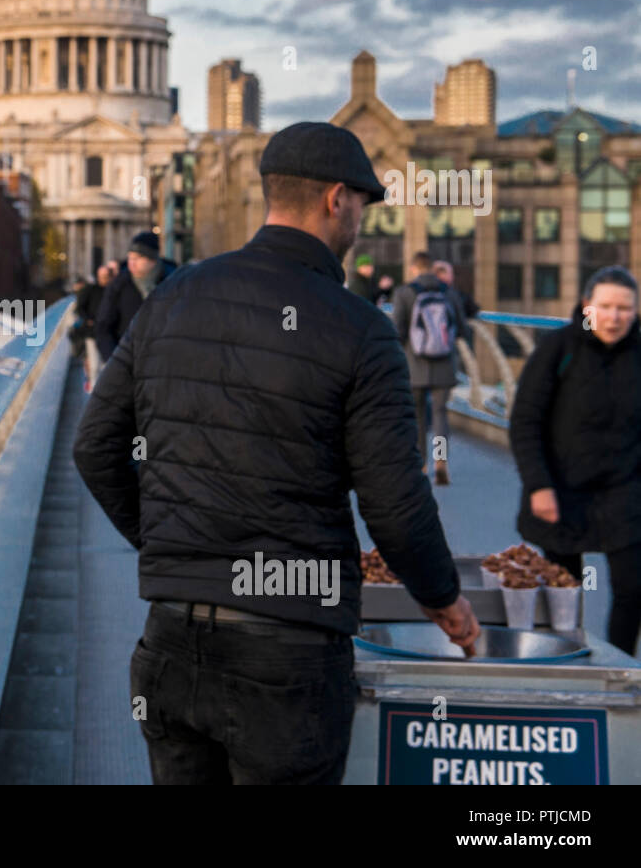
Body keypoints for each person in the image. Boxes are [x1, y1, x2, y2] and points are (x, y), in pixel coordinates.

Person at [73, 121, 478, 785]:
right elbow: (394, 503)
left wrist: (171, 547)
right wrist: (444, 598)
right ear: (336, 199)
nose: (360, 225)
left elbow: (93, 448)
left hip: (170, 646)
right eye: (362, 207)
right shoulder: (361, 331)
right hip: (286, 659)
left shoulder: (175, 294)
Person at [509, 265, 641, 655]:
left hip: (625, 490)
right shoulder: (558, 349)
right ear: (587, 306)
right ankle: (568, 660)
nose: (614, 317)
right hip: (561, 489)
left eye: (624, 308)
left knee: (633, 587)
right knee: (564, 594)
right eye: (605, 306)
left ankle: (619, 665)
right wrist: (538, 485)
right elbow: (525, 421)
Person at [392, 252, 465, 485]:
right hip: (444, 363)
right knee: (441, 415)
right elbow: (461, 329)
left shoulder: (404, 293)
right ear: (433, 268)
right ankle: (441, 462)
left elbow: (399, 331)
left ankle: (421, 463)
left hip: (415, 365)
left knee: (418, 416)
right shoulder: (448, 292)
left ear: (414, 268)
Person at [94, 232, 176, 360]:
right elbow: (103, 327)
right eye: (130, 258)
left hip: (166, 360)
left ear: (152, 260)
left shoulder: (175, 282)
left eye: (137, 258)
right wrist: (114, 361)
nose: (131, 263)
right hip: (129, 362)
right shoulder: (119, 285)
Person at [76, 264, 113, 389]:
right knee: (94, 364)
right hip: (92, 332)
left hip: (108, 332)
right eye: (102, 276)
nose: (105, 279)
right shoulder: (91, 290)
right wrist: (88, 320)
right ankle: (94, 389)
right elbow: (80, 307)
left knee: (106, 363)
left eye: (107, 276)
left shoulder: (113, 291)